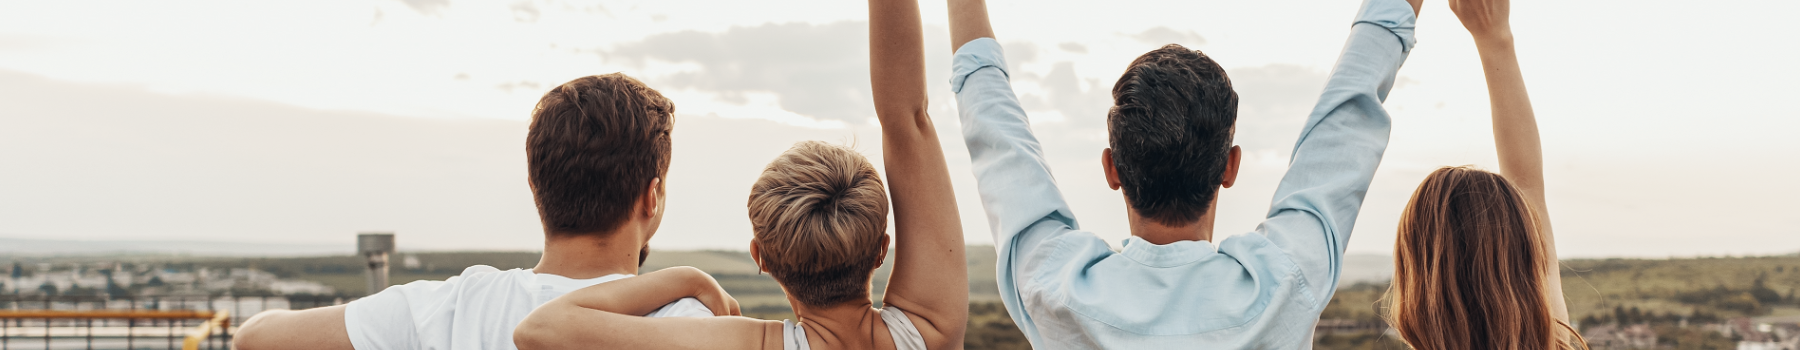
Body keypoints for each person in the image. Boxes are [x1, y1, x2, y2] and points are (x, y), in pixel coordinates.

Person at [946, 0, 1421, 347]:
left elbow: (995, 128)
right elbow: (1346, 123)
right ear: (1230, 167)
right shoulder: (1283, 283)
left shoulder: (1054, 288)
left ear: (1111, 169)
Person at [510, 0, 969, 348]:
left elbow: (540, 329)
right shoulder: (933, 330)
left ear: (761, 258)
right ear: (881, 250)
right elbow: (907, 117)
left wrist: (688, 279)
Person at [232, 73, 737, 350]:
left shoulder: (450, 307)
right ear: (651, 197)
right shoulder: (687, 326)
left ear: (537, 187)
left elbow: (256, 338)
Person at [1384, 0, 1586, 348]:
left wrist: (1382, 28)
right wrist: (1494, 37)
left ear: (1414, 282)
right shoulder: (1552, 342)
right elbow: (1529, 187)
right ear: (1526, 265)